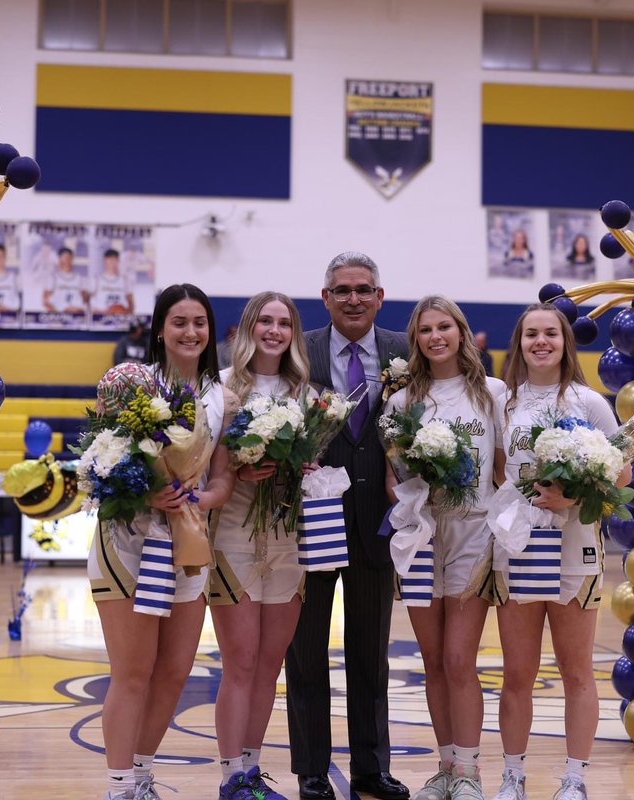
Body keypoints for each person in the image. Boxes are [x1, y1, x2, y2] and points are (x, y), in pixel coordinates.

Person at [88, 283, 236, 800]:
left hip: (188, 545)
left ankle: (143, 774)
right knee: (133, 672)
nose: (191, 331)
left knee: (174, 672)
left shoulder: (223, 396)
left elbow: (223, 478)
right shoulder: (130, 384)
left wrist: (202, 500)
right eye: (180, 322)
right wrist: (150, 495)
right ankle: (119, 785)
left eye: (200, 322)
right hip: (127, 543)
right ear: (159, 330)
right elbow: (100, 464)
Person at [488, 303, 633, 800]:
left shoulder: (590, 403)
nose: (541, 342)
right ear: (520, 342)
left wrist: (574, 497)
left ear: (565, 342)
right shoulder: (504, 402)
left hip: (575, 547)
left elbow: (621, 476)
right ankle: (513, 776)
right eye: (531, 334)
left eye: (550, 333)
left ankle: (574, 779)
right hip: (518, 545)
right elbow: (499, 471)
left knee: (576, 670)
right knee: (517, 672)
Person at [285, 251, 410, 800]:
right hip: (312, 521)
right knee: (305, 652)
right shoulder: (298, 349)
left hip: (377, 525)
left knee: (370, 654)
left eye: (364, 289)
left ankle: (371, 769)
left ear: (380, 297)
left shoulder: (405, 353)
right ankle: (312, 770)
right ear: (326, 297)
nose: (354, 298)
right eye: (342, 290)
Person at [382, 296, 505, 800]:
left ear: (461, 332)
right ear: (416, 339)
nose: (436, 336)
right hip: (420, 533)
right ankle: (445, 767)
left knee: (459, 658)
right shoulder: (402, 402)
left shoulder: (493, 393)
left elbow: (504, 469)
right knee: (432, 660)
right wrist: (415, 492)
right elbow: (393, 478)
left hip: (474, 530)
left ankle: (471, 771)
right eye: (426, 329)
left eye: (445, 327)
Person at [212, 291, 313, 800]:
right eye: (265, 321)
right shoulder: (224, 387)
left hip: (288, 536)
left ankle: (251, 772)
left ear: (293, 333)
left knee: (271, 664)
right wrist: (238, 466)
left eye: (284, 323)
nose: (274, 331)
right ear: (248, 327)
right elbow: (207, 461)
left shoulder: (305, 394)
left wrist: (307, 467)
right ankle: (230, 777)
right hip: (233, 534)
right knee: (241, 662)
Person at [43, 246, 90, 314]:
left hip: (76, 315)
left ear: (72, 259)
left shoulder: (80, 278)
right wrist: (56, 313)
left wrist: (81, 305)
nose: (67, 260)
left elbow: (86, 299)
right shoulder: (53, 278)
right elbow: (45, 300)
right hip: (58, 315)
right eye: (64, 257)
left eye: (69, 257)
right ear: (60, 259)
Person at [94, 248, 135, 316]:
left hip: (120, 317)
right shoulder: (97, 279)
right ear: (105, 260)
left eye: (114, 259)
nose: (112, 262)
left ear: (118, 260)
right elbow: (89, 304)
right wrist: (104, 311)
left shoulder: (124, 280)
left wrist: (126, 312)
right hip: (101, 316)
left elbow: (131, 303)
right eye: (109, 259)